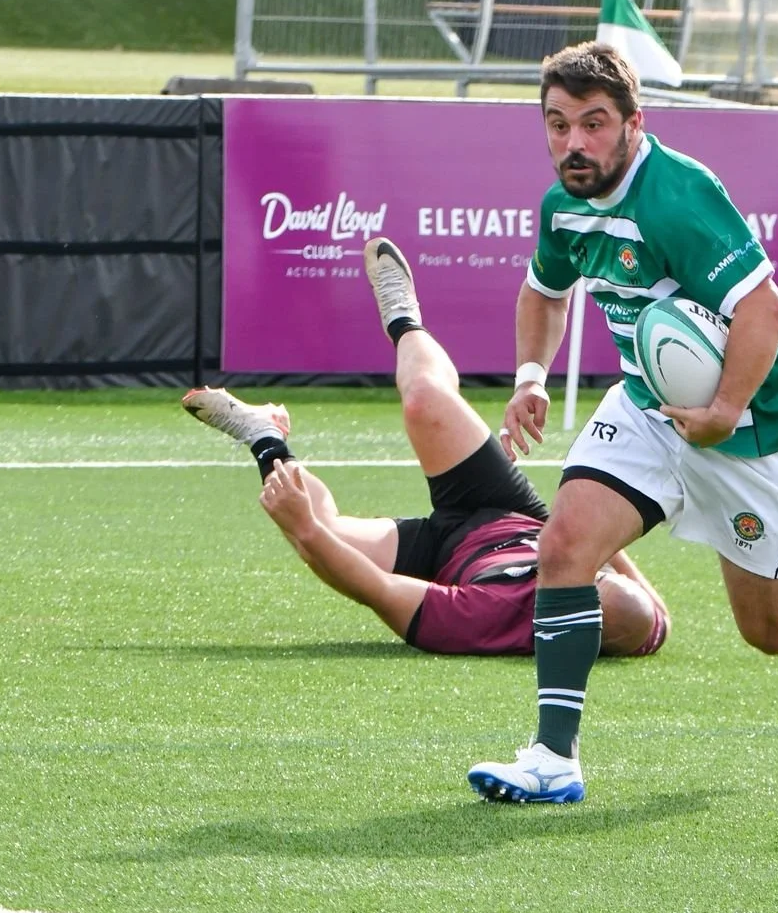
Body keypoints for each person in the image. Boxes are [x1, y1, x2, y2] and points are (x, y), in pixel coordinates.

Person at [471, 41, 778, 805]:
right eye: (557, 124)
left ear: (635, 122)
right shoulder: (562, 203)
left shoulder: (677, 195)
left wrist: (724, 411)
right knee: (563, 542)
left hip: (756, 428)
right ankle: (552, 758)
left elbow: (766, 312)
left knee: (768, 635)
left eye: (594, 124)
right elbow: (543, 292)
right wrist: (530, 378)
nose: (574, 143)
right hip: (645, 407)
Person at [182, 238, 667, 659]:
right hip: (511, 510)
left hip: (442, 556)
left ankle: (264, 436)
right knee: (424, 401)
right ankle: (403, 318)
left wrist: (306, 530)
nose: (584, 572)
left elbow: (379, 590)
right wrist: (591, 539)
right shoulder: (635, 618)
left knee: (321, 526)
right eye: (596, 574)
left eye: (586, 583)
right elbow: (652, 612)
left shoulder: (491, 619)